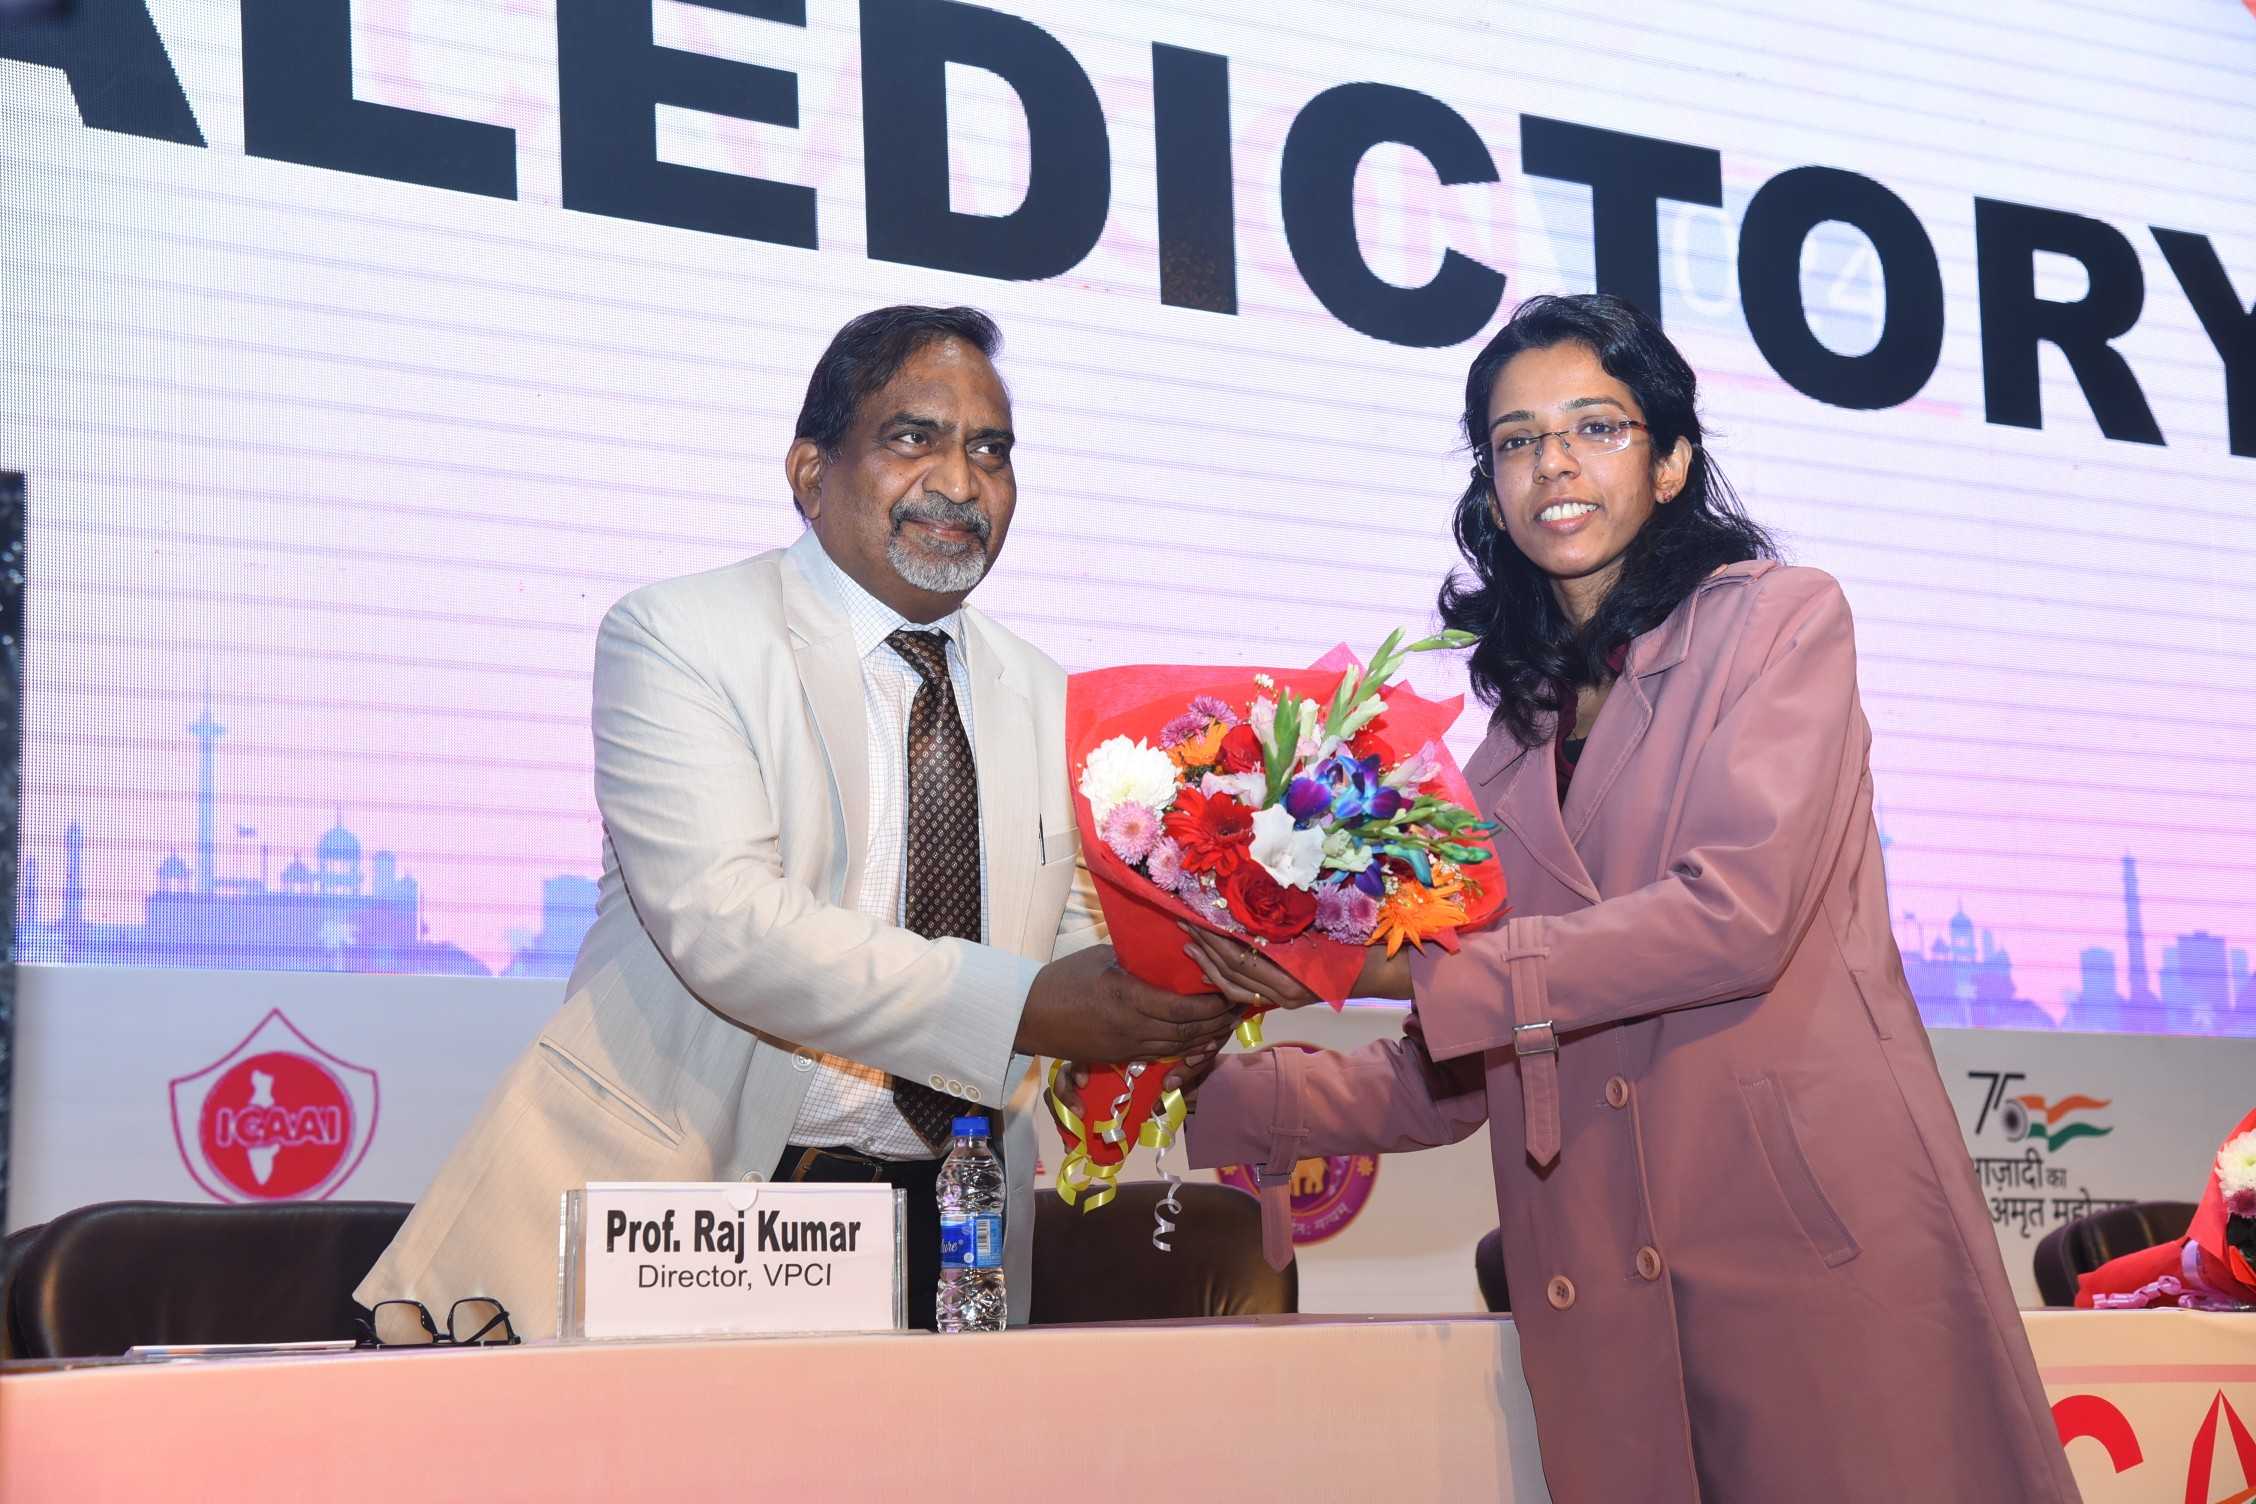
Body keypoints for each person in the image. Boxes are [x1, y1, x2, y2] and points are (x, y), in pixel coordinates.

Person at [1156, 294, 2080, 1500]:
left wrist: (1404, 966)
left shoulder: (1780, 623)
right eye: (1517, 441)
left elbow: (1734, 915)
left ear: (1672, 459)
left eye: (1596, 426)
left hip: (1807, 1248)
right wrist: (1191, 1077)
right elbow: (1459, 1065)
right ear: (1492, 490)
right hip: (1608, 1285)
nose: (1555, 463)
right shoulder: (1498, 762)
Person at [358, 305, 1233, 1335]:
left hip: (958, 1223)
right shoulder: (684, 635)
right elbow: (728, 925)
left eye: (990, 450)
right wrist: (1026, 1008)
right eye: (914, 437)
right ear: (811, 473)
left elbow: (1079, 950)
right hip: (701, 1209)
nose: (960, 482)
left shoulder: (1056, 700)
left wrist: (1163, 1012)